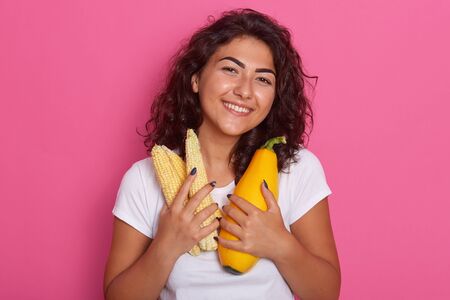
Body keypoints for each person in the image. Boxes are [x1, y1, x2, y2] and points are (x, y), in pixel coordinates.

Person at [103, 8, 341, 300]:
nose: (245, 91)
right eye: (230, 69)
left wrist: (281, 245)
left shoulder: (297, 168)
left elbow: (327, 292)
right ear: (196, 79)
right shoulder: (143, 178)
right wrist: (166, 246)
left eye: (263, 79)